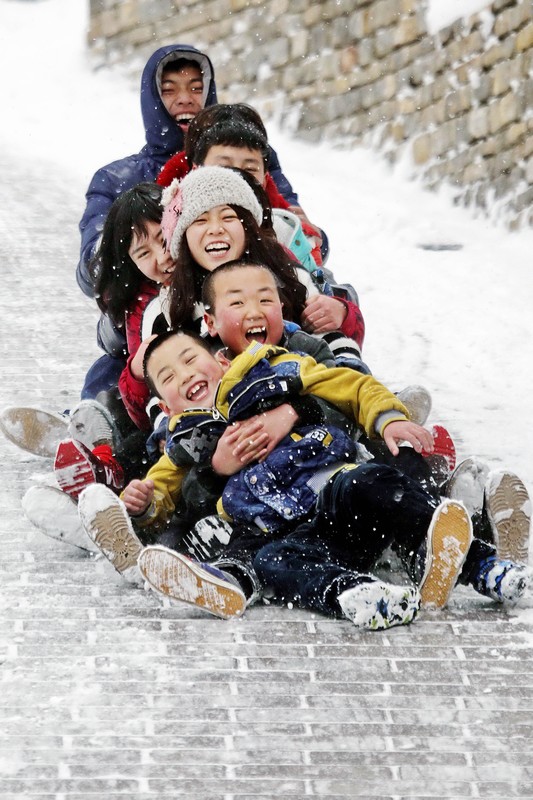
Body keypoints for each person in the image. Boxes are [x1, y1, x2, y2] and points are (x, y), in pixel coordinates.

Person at [76, 327, 532, 630]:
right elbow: (163, 490)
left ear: (219, 356)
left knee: (371, 481)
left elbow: (351, 385)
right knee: (275, 561)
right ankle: (356, 595)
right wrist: (143, 500)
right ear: (167, 404)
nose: (185, 375)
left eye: (189, 359)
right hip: (287, 532)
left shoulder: (274, 372)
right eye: (168, 377)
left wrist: (388, 418)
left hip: (337, 493)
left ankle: (483, 566)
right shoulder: (184, 440)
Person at [156, 103, 326, 265]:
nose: (237, 177)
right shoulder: (171, 223)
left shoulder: (283, 226)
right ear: (196, 168)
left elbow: (314, 281)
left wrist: (310, 240)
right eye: (224, 167)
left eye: (249, 168)